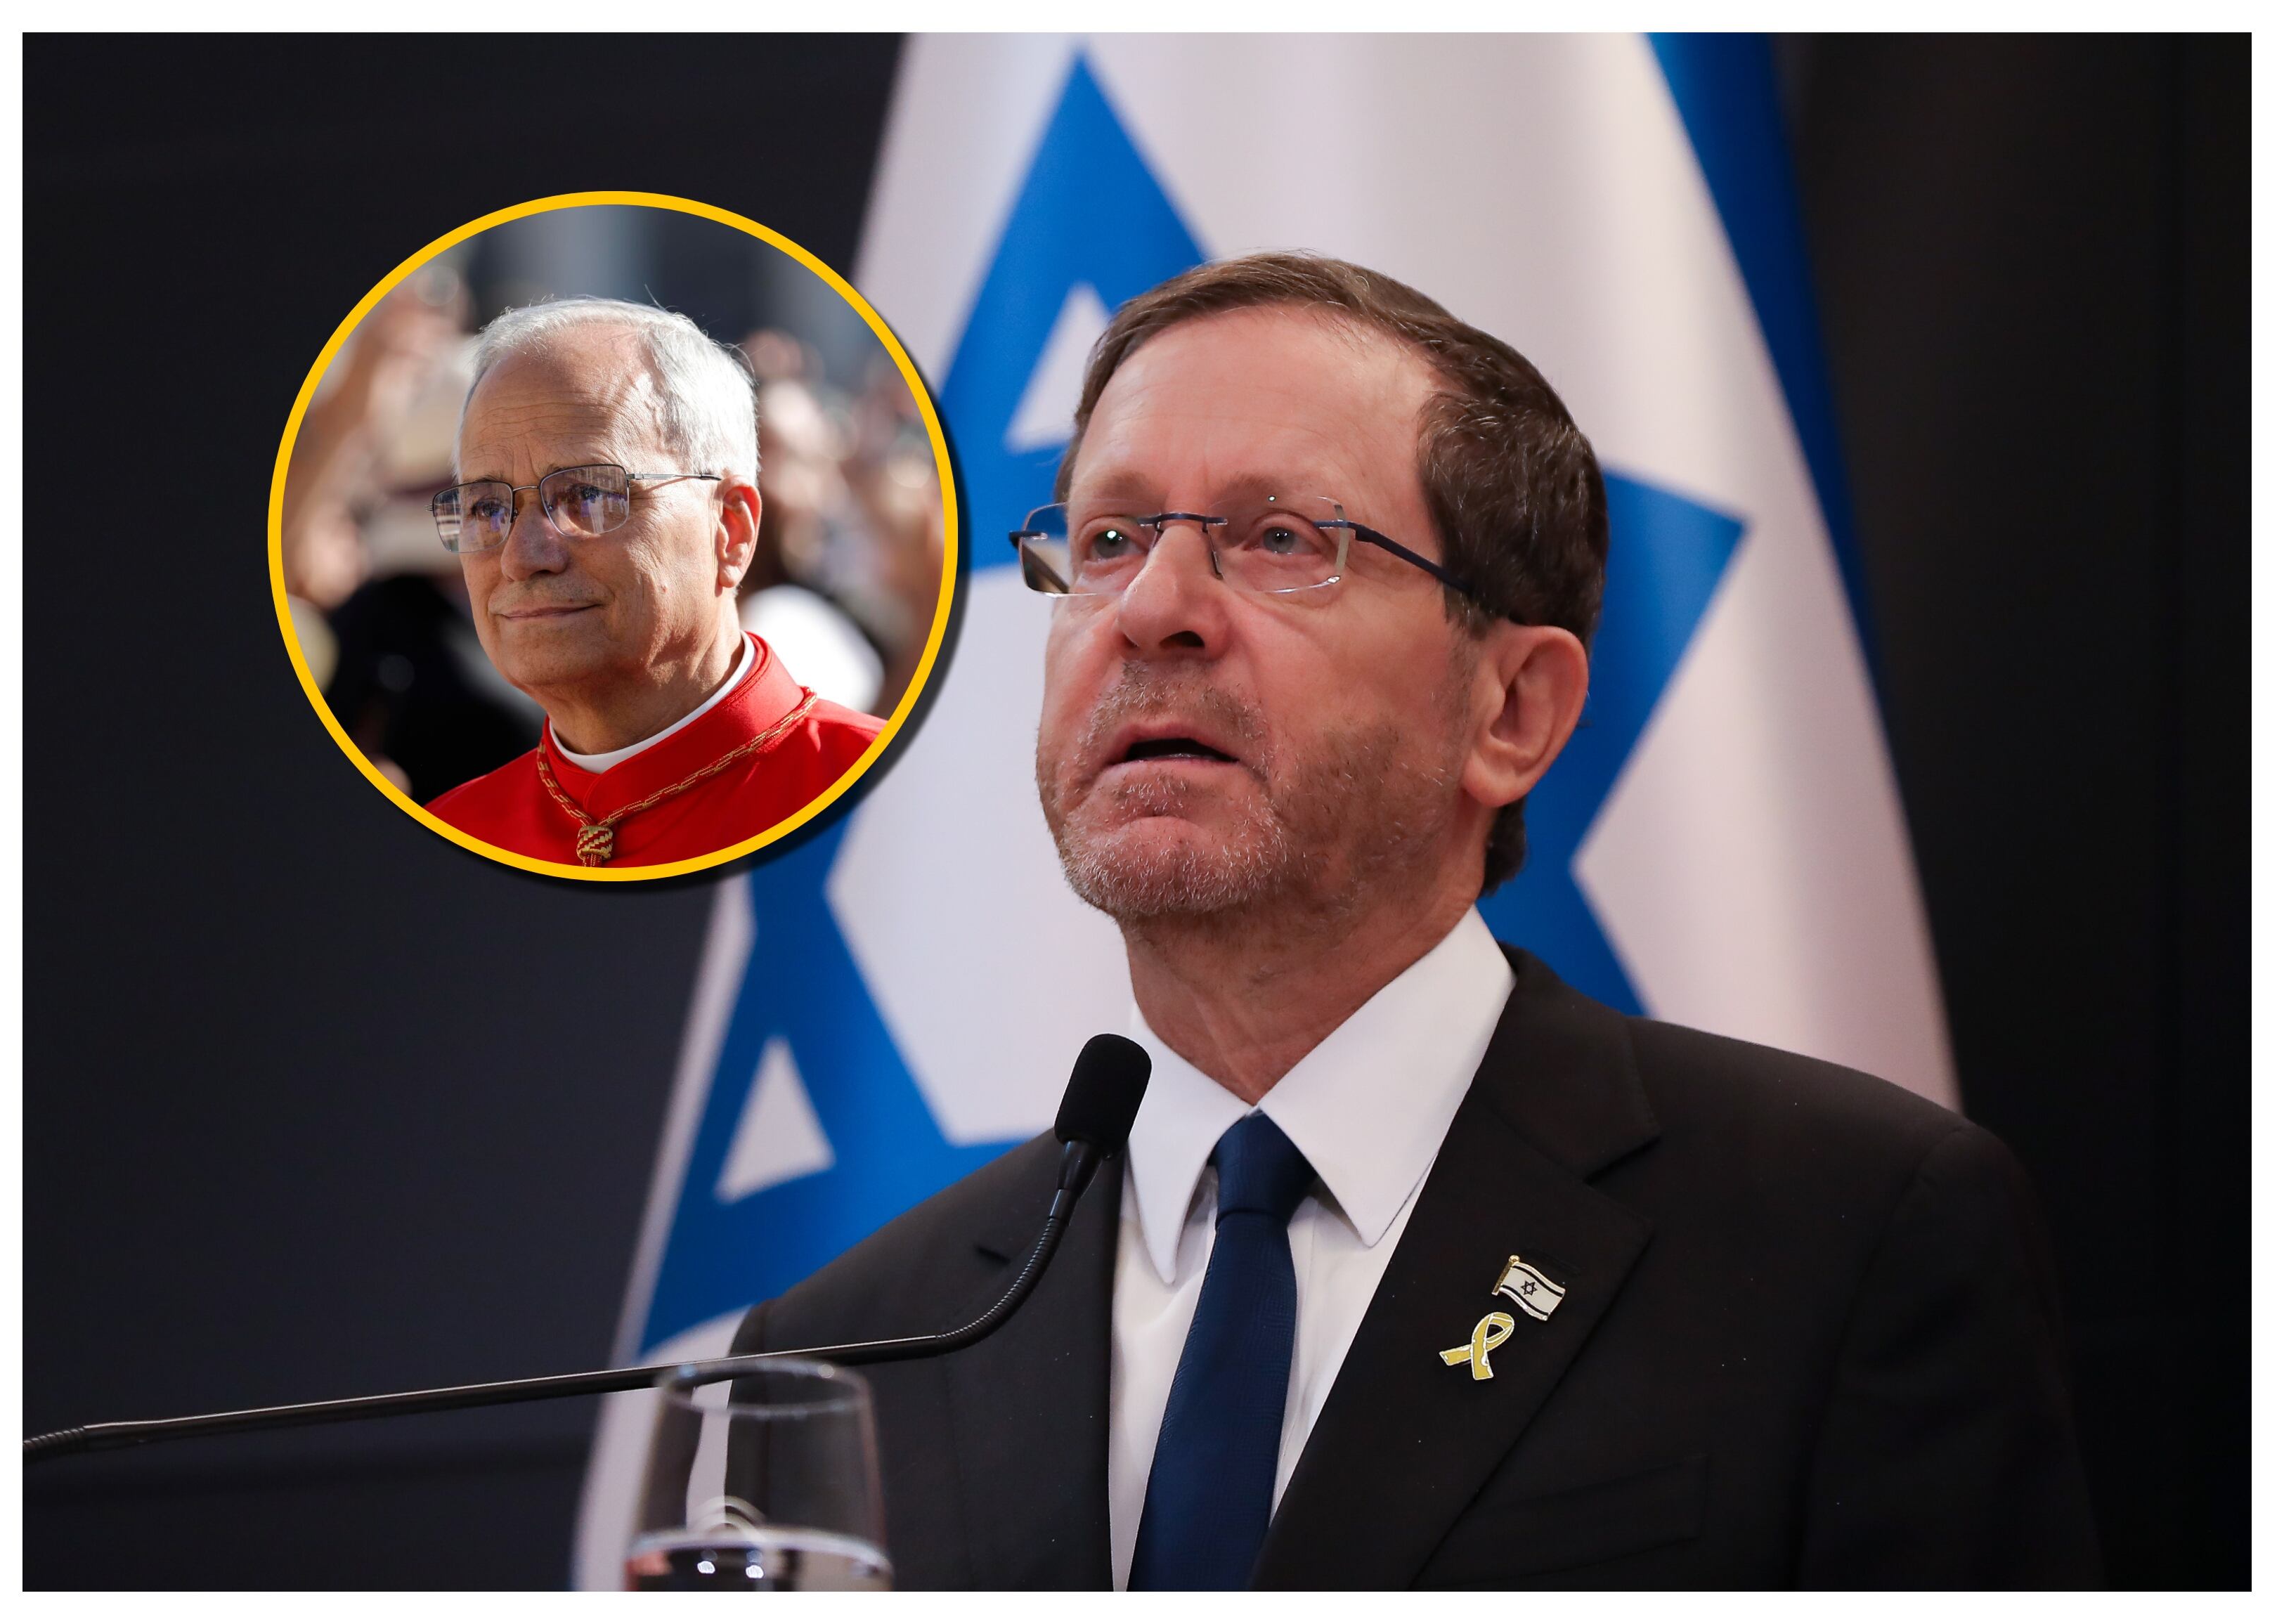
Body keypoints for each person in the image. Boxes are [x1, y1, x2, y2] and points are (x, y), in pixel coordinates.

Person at [729, 254, 2101, 1587]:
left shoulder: (1845, 1234)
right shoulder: (844, 1347)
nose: (1151, 611)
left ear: (1511, 713)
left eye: (1280, 539)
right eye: (1106, 539)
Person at [424, 299, 883, 868]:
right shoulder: (452, 835)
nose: (522, 557)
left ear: (731, 529)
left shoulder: (883, 798)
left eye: (587, 494)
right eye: (486, 507)